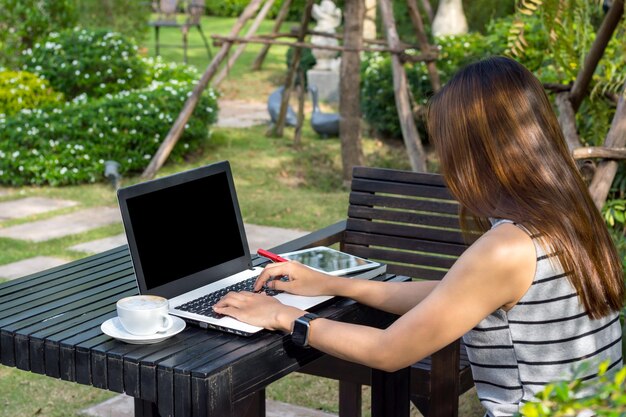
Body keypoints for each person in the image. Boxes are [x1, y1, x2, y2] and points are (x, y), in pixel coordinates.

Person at [214, 56, 624, 415]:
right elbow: (453, 294)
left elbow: (389, 352)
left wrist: (281, 316)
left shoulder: (507, 248)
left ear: (476, 152)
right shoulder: (570, 213)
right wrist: (338, 285)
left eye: (446, 148)